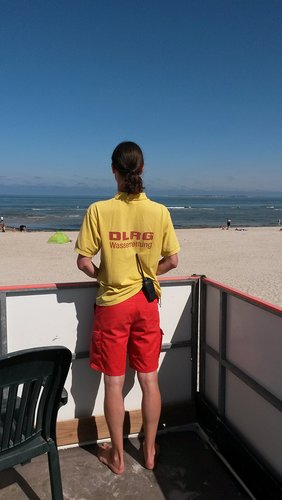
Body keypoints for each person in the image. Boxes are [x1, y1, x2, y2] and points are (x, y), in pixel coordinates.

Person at [75, 141, 180, 474]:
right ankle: (149, 452)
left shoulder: (98, 210)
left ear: (113, 170)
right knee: (150, 380)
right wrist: (149, 273)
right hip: (147, 304)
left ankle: (118, 457)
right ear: (143, 170)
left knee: (114, 383)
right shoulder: (159, 212)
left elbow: (83, 262)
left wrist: (106, 275)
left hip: (113, 305)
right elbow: (173, 261)